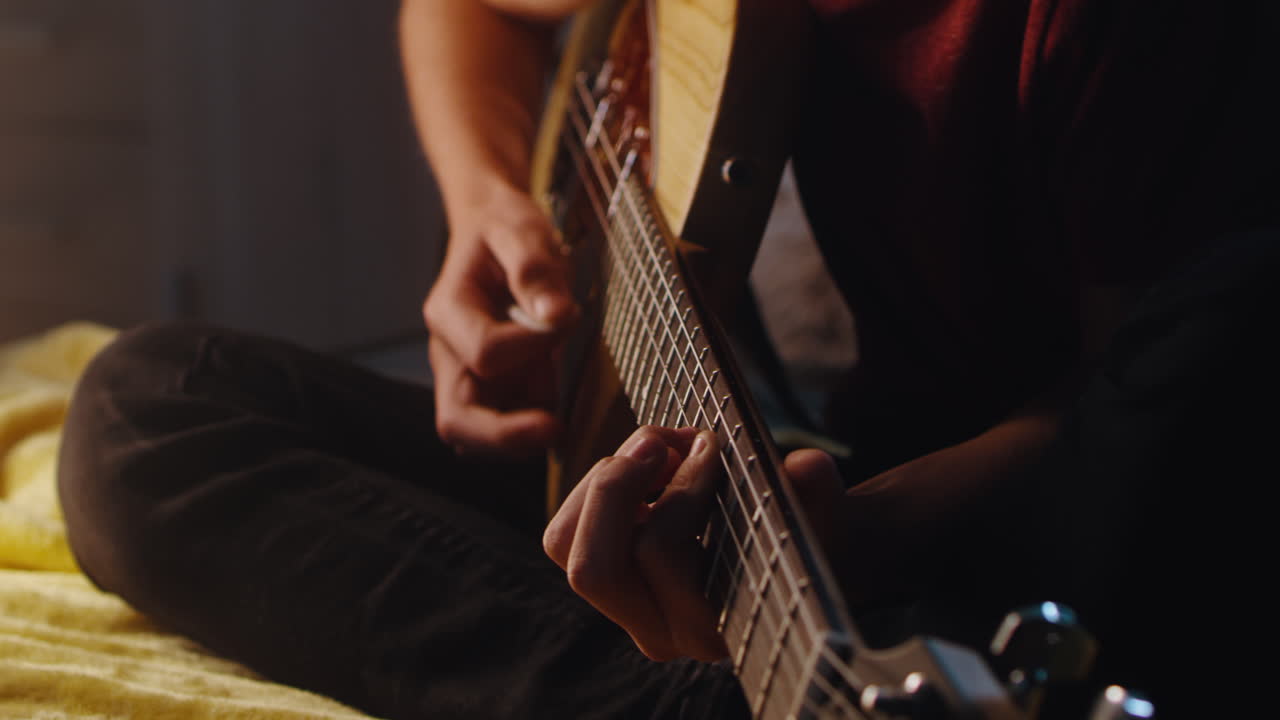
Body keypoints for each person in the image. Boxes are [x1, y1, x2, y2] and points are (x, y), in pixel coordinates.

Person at [57, 0, 1277, 718]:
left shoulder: (1126, 26)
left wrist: (856, 528)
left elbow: (1139, 403)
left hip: (977, 527)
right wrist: (490, 204)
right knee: (146, 408)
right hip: (778, 488)